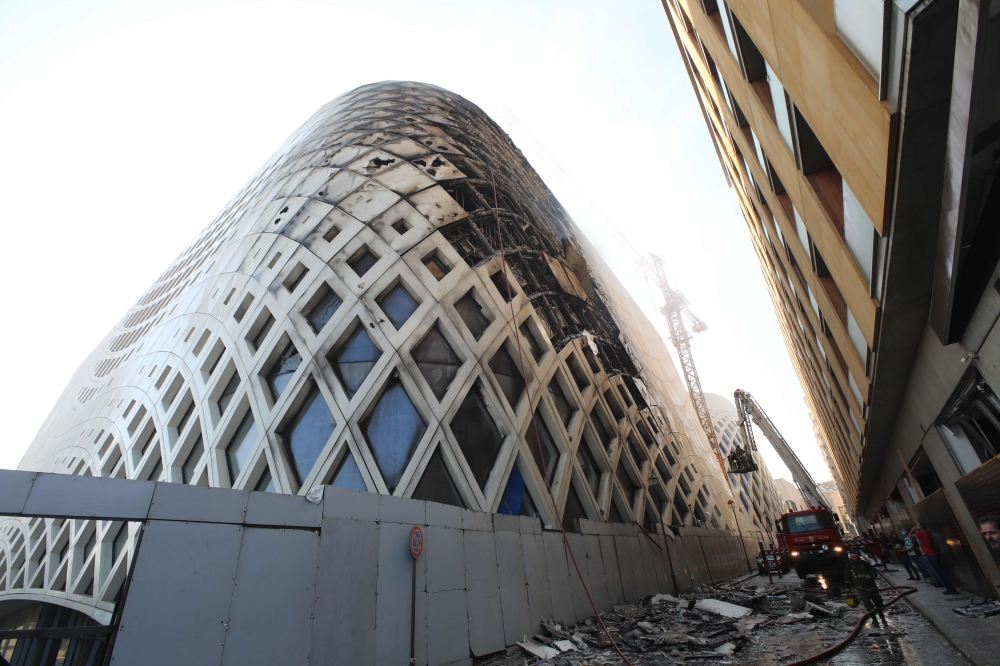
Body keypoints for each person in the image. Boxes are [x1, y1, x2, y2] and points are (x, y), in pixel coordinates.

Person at [844, 549, 888, 627]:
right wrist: (847, 586)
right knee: (867, 603)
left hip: (871, 586)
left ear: (858, 556)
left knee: (878, 602)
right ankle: (874, 619)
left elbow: (874, 572)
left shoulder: (864, 563)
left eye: (856, 556)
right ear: (850, 557)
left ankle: (882, 617)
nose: (855, 558)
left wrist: (871, 575)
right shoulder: (849, 565)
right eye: (853, 557)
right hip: (861, 588)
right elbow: (847, 576)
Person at [912, 523, 958, 595]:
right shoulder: (925, 533)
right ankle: (949, 588)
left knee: (940, 571)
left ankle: (951, 588)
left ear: (920, 527)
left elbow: (910, 536)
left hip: (930, 554)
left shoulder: (922, 533)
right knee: (939, 571)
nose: (915, 527)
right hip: (931, 553)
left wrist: (913, 530)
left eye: (917, 526)